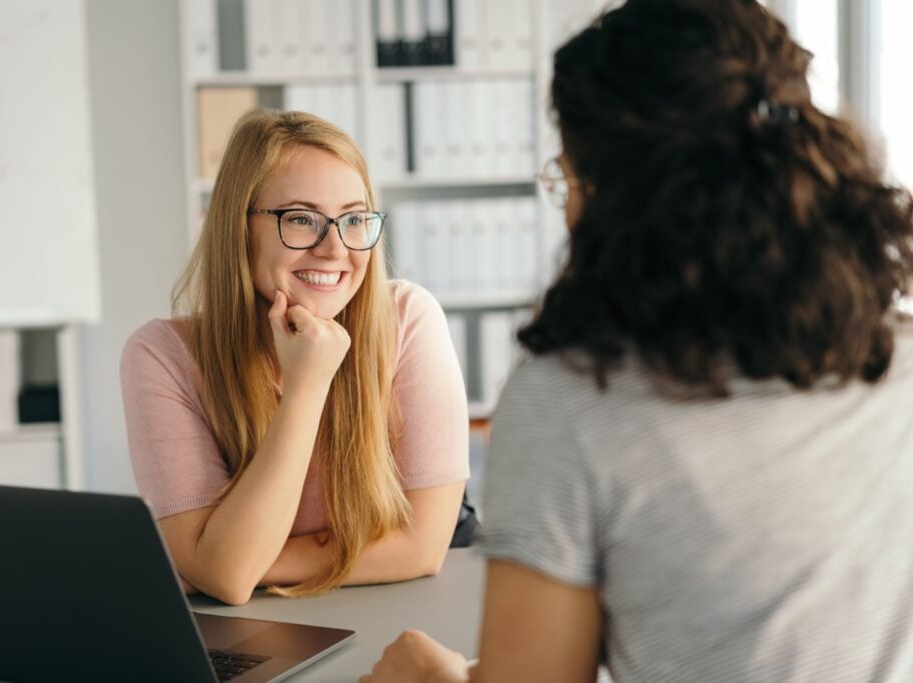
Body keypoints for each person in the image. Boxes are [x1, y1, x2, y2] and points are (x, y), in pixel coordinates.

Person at [361, 0, 913, 680]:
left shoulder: (574, 401)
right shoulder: (899, 353)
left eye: (568, 175)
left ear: (617, 198)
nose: (565, 204)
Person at [120, 110, 470, 605]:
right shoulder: (162, 357)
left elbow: (422, 547)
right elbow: (224, 576)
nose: (335, 249)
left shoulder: (408, 318)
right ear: (239, 228)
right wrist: (306, 388)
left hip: (403, 612)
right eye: (302, 219)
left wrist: (235, 561)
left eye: (353, 219)